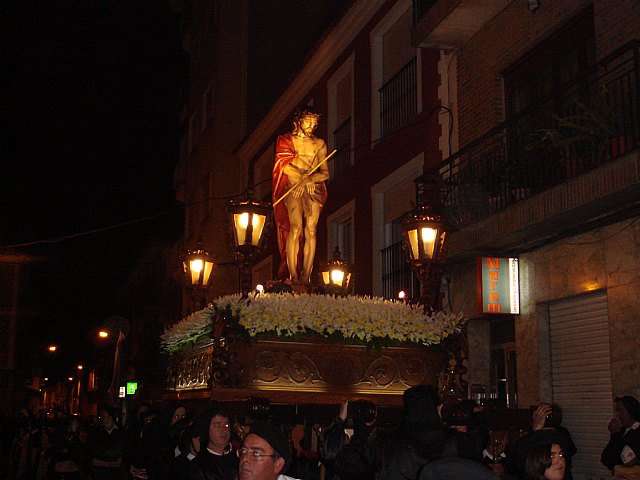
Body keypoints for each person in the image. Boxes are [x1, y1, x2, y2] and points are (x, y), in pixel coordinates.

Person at [272, 105, 329, 283]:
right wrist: (302, 179)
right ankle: (293, 275)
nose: (312, 125)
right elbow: (284, 165)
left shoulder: (319, 144)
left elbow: (325, 172)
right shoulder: (285, 140)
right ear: (299, 121)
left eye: (314, 122)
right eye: (308, 121)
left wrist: (308, 180)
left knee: (311, 229)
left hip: (312, 188)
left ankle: (306, 275)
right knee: (295, 228)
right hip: (293, 187)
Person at [517, 403, 576, 479]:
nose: (559, 461)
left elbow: (570, 451)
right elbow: (520, 461)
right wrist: (536, 431)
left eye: (561, 455)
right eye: (551, 456)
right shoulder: (529, 440)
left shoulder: (561, 434)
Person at [189, 407, 238, 480]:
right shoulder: (199, 466)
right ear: (206, 429)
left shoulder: (238, 459)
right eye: (217, 425)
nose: (224, 430)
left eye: (227, 425)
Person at [602, 395, 640, 473]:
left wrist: (616, 435)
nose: (617, 415)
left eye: (620, 411)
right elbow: (606, 458)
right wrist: (615, 435)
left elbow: (627, 460)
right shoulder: (621, 431)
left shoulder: (637, 432)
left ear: (631, 411)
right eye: (616, 411)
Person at [89, 407, 124, 480]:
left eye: (104, 416)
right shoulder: (96, 433)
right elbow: (90, 455)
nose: (101, 419)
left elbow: (121, 453)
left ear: (111, 417)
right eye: (101, 416)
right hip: (99, 473)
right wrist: (107, 463)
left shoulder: (121, 433)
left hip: (115, 474)